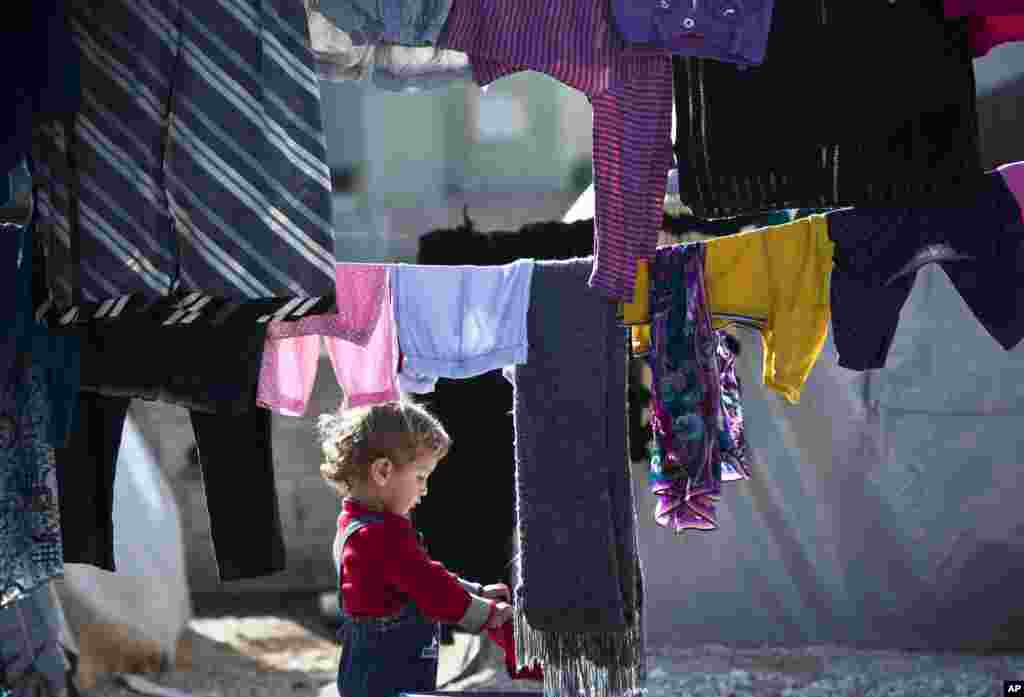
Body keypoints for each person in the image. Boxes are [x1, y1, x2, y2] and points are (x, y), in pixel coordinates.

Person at [318, 400, 513, 697]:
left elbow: (418, 574)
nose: (425, 489)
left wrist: (475, 590)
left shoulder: (355, 523)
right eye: (421, 477)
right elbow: (429, 586)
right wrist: (484, 613)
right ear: (383, 471)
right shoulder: (378, 536)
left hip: (371, 673)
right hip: (385, 681)